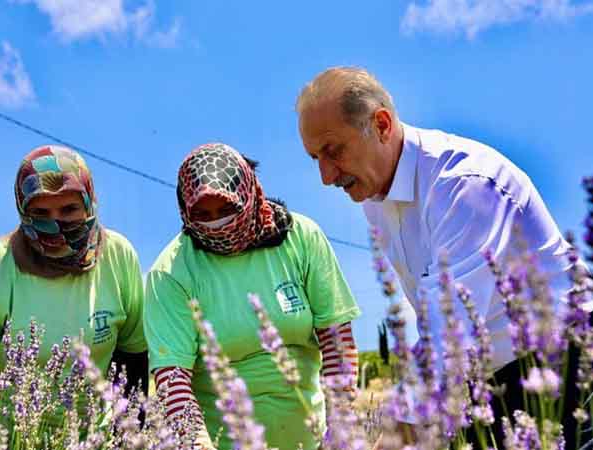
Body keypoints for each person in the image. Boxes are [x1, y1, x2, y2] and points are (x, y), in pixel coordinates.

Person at [295, 66, 590, 449]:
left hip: (565, 368)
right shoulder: (374, 198)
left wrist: (390, 439)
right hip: (489, 382)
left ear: (381, 124)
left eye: (334, 151)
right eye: (315, 157)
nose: (325, 175)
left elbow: (449, 335)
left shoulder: (463, 186)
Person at [143, 142, 361, 450]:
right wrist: (197, 445)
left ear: (249, 193)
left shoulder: (301, 239)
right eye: (202, 214)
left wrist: (341, 428)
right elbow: (173, 379)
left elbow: (336, 340)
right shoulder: (171, 273)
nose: (216, 223)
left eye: (227, 209)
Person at [0, 145, 148, 445]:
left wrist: (128, 437)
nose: (56, 225)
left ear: (90, 203)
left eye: (69, 210)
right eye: (41, 213)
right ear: (22, 211)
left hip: (88, 440)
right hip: (3, 439)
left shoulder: (118, 256)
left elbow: (133, 356)